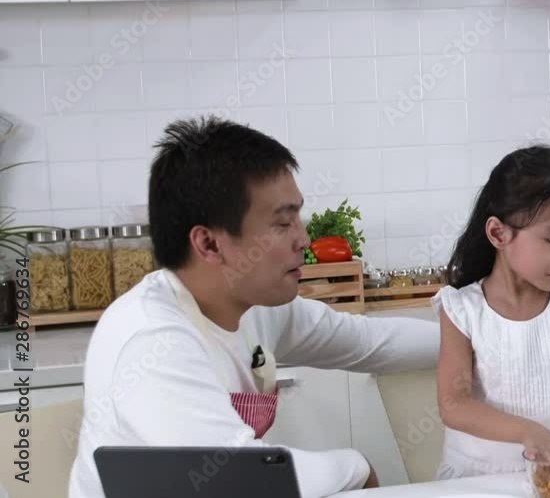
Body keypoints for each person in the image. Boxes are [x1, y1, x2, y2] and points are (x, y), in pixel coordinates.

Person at [68, 116, 439, 498]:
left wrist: (475, 336)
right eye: (282, 223)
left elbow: (365, 341)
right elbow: (236, 478)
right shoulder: (151, 340)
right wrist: (354, 465)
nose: (304, 239)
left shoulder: (253, 307)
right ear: (209, 244)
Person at [434, 145, 550, 480]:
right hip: (476, 481)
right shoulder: (462, 310)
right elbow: (453, 403)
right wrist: (529, 432)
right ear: (498, 234)